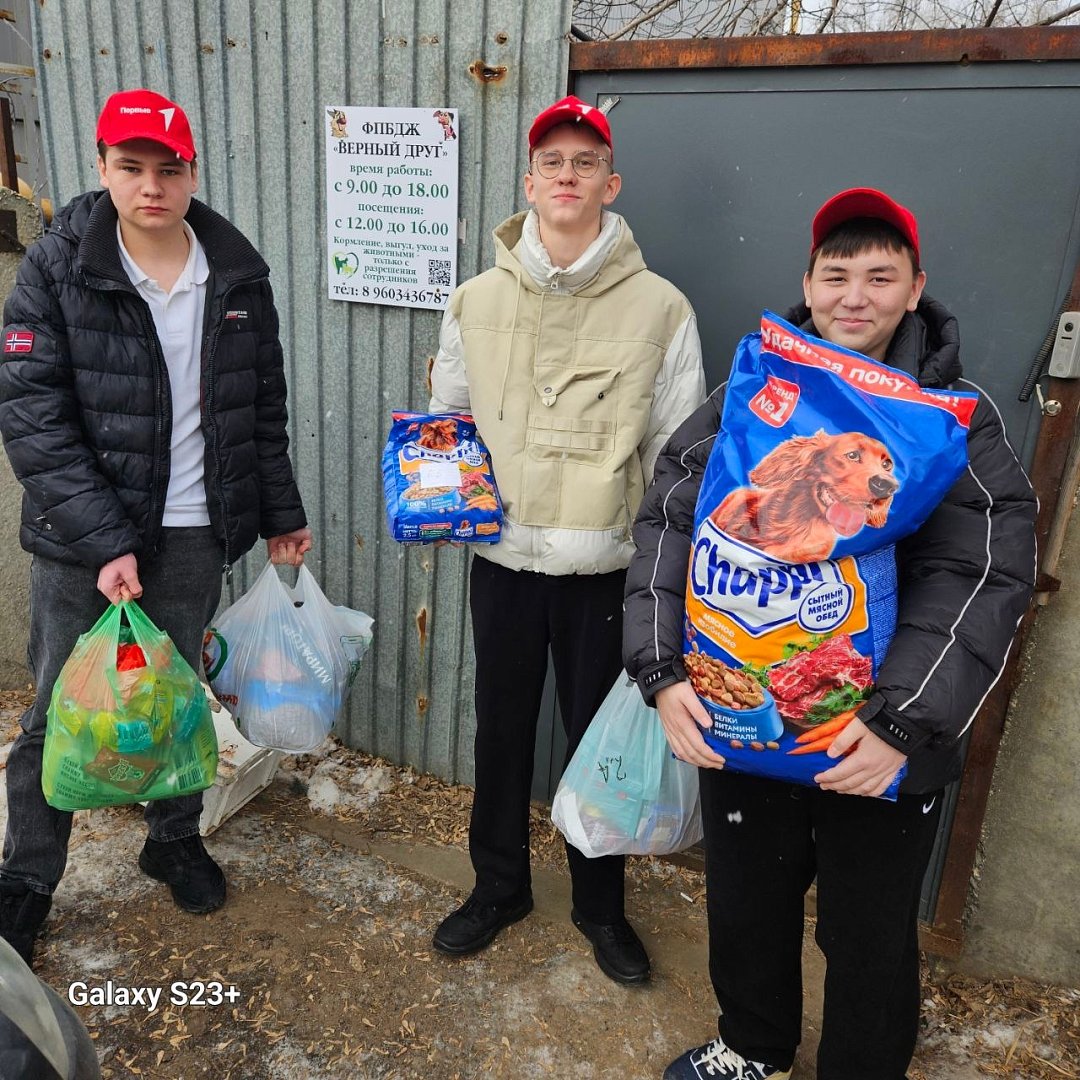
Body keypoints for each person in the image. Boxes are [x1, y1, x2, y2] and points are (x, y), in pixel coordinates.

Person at [624, 188, 1037, 1078]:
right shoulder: (753, 395)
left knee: (868, 930)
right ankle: (754, 1045)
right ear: (807, 283)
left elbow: (981, 576)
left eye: (880, 278)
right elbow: (670, 517)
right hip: (748, 719)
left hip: (882, 739)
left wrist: (899, 723)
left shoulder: (953, 417)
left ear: (916, 289)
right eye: (836, 274)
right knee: (746, 900)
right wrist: (662, 670)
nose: (855, 297)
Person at [0, 89, 312, 967]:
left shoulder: (236, 275)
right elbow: (33, 419)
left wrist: (280, 513)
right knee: (59, 708)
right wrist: (105, 541)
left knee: (178, 698)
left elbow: (261, 409)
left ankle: (172, 838)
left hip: (196, 530)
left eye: (168, 169)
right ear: (101, 169)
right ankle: (27, 876)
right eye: (131, 167)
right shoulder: (57, 269)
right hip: (82, 541)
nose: (151, 186)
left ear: (191, 174)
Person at [428, 96, 705, 984]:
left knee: (601, 742)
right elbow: (448, 423)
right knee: (501, 730)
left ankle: (600, 907)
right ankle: (497, 887)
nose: (568, 175)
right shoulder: (475, 299)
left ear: (610, 184)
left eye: (586, 162)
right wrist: (442, 502)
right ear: (529, 181)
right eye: (552, 160)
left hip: (606, 569)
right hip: (504, 562)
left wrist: (665, 577)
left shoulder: (662, 308)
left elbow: (675, 454)